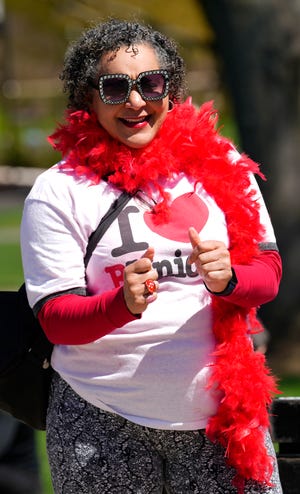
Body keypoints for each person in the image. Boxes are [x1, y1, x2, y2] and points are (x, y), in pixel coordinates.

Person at [20, 19, 283, 494]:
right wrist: (121, 304)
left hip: (224, 420)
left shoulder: (222, 164)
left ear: (171, 89)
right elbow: (55, 319)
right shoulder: (57, 191)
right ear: (89, 97)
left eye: (151, 83)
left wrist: (229, 280)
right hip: (100, 419)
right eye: (115, 87)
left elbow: (267, 274)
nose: (137, 101)